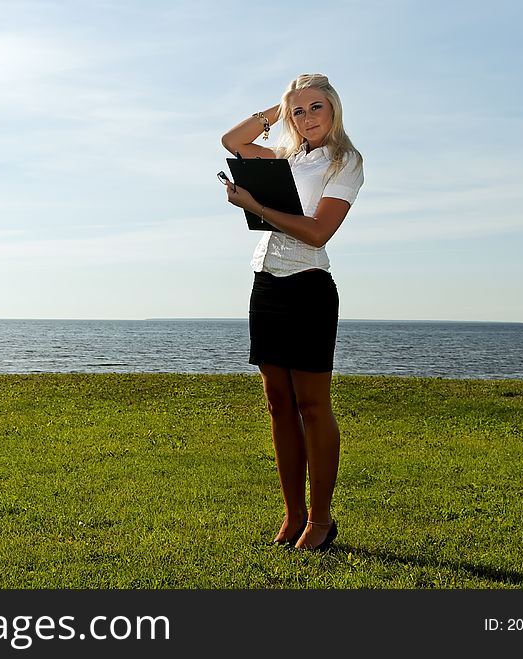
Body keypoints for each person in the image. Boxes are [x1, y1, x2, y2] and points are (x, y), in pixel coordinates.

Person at [220, 74, 364, 551]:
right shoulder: (286, 156)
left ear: (334, 109)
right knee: (278, 405)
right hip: (266, 284)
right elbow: (232, 141)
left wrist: (256, 205)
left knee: (312, 406)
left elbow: (319, 232)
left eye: (315, 107)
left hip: (308, 288)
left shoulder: (346, 160)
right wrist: (278, 112)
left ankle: (321, 520)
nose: (307, 118)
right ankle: (294, 513)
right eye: (298, 112)